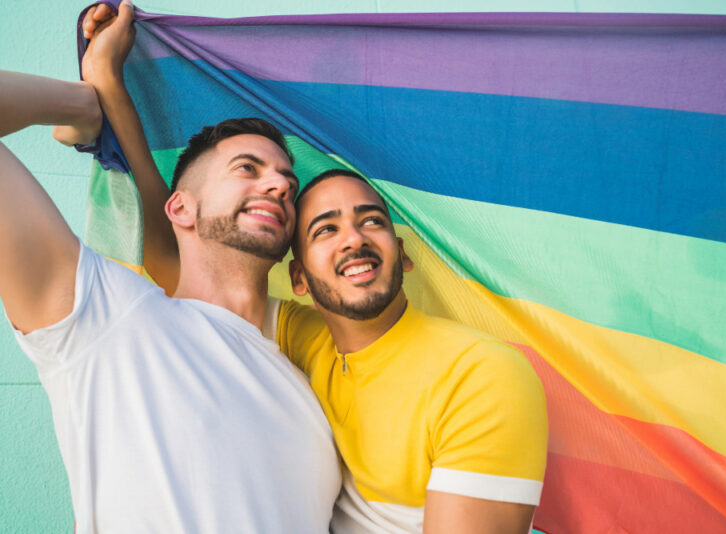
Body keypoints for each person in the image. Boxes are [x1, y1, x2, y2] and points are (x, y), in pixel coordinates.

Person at [81, 3, 548, 533]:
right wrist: (109, 90)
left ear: (404, 256)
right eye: (324, 229)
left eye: (371, 221)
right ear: (299, 278)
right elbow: (177, 257)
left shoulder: (479, 373)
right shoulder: (303, 341)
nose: (353, 238)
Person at [0, 4, 340, 533]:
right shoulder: (106, 320)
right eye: (248, 169)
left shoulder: (314, 383)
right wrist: (87, 102)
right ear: (180, 207)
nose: (279, 184)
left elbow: (167, 259)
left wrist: (110, 90)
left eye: (288, 185)